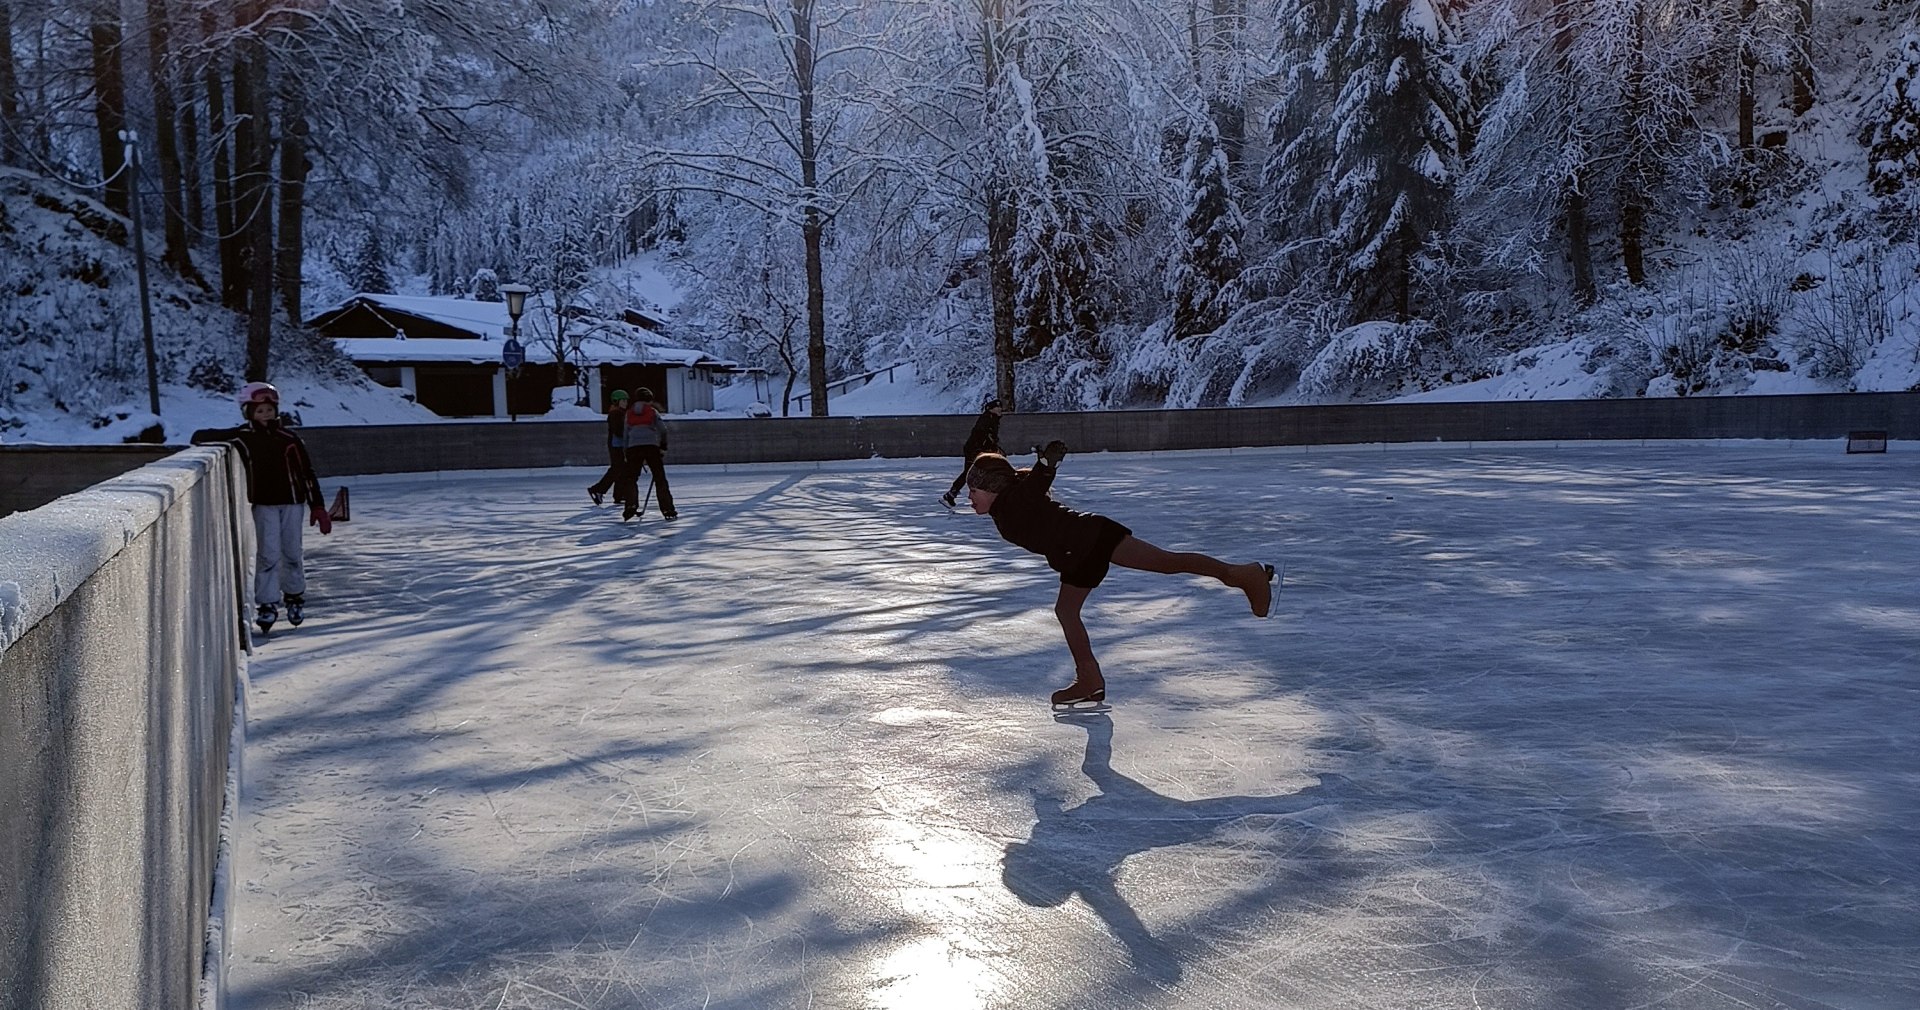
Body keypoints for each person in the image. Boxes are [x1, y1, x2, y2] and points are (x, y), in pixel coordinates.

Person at [965, 440, 1273, 707]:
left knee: (1167, 562)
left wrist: (1046, 465)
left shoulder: (1011, 502)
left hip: (1092, 539)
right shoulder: (1004, 507)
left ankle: (1243, 575)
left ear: (992, 487)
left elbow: (1034, 488)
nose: (969, 498)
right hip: (1078, 553)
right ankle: (1089, 680)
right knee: (1067, 611)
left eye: (973, 489)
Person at [191, 381, 331, 632]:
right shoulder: (244, 437)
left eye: (269, 409)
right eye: (259, 411)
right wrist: (203, 437)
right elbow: (202, 436)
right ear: (248, 412)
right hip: (264, 504)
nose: (265, 415)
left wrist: (317, 507)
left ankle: (295, 597)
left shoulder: (289, 439)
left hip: (292, 503)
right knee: (268, 554)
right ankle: (266, 603)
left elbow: (307, 474)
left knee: (292, 552)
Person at [618, 386, 678, 521]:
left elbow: (626, 434)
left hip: (633, 448)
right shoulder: (652, 412)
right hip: (651, 447)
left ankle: (630, 505)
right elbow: (663, 430)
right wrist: (663, 447)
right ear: (649, 399)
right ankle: (667, 508)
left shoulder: (629, 413)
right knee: (660, 478)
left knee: (631, 479)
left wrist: (626, 451)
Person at [942, 397, 1006, 510]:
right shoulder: (987, 419)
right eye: (997, 407)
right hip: (974, 450)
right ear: (991, 409)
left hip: (979, 450)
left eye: (1000, 406)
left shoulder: (993, 419)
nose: (1000, 409)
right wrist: (989, 447)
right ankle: (952, 494)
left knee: (980, 472)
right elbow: (982, 434)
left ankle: (953, 494)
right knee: (969, 473)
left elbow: (989, 437)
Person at [586, 389, 631, 507]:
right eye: (623, 400)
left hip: (619, 444)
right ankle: (598, 489)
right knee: (617, 468)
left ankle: (619, 494)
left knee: (622, 469)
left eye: (626, 400)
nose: (626, 402)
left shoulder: (620, 412)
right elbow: (618, 430)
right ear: (617, 401)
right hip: (617, 445)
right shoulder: (616, 413)